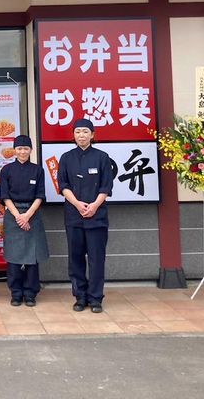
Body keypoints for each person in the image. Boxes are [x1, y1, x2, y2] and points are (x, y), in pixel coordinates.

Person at [57, 118, 114, 314]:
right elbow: (63, 185)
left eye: (85, 131)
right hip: (74, 215)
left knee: (97, 259)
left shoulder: (102, 157)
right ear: (73, 134)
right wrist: (78, 204)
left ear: (92, 134)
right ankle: (80, 296)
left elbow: (107, 186)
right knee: (76, 258)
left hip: (97, 217)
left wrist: (94, 206)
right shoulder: (66, 157)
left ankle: (96, 298)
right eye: (78, 131)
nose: (81, 135)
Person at [0, 134, 49, 307]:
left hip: (32, 213)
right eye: (19, 148)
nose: (22, 152)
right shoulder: (6, 170)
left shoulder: (37, 170)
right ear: (14, 150)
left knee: (31, 256)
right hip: (13, 215)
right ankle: (16, 292)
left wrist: (27, 215)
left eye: (26, 148)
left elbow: (40, 195)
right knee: (14, 256)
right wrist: (18, 216)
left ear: (31, 150)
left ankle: (30, 293)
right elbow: (4, 195)